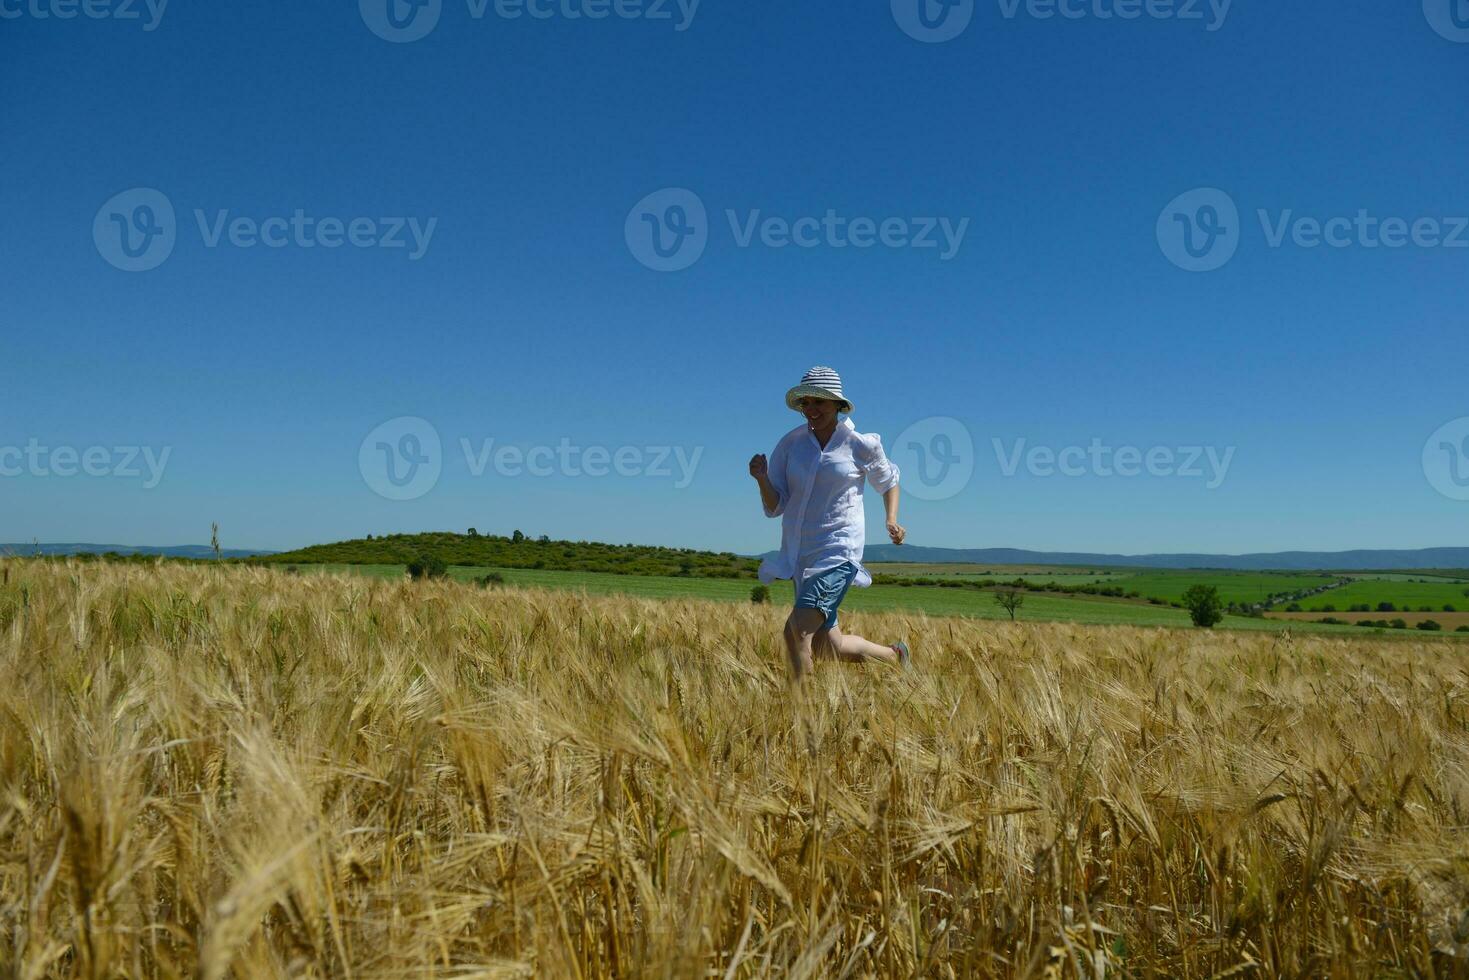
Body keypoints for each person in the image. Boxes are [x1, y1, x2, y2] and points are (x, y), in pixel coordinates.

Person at [749, 366, 912, 679]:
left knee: (796, 632)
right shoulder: (790, 445)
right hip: (802, 554)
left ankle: (804, 713)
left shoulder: (860, 445)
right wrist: (760, 479)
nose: (811, 410)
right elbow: (776, 505)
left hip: (838, 551)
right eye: (806, 403)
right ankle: (895, 657)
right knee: (827, 646)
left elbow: (889, 481)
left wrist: (891, 519)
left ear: (838, 404)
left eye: (819, 402)